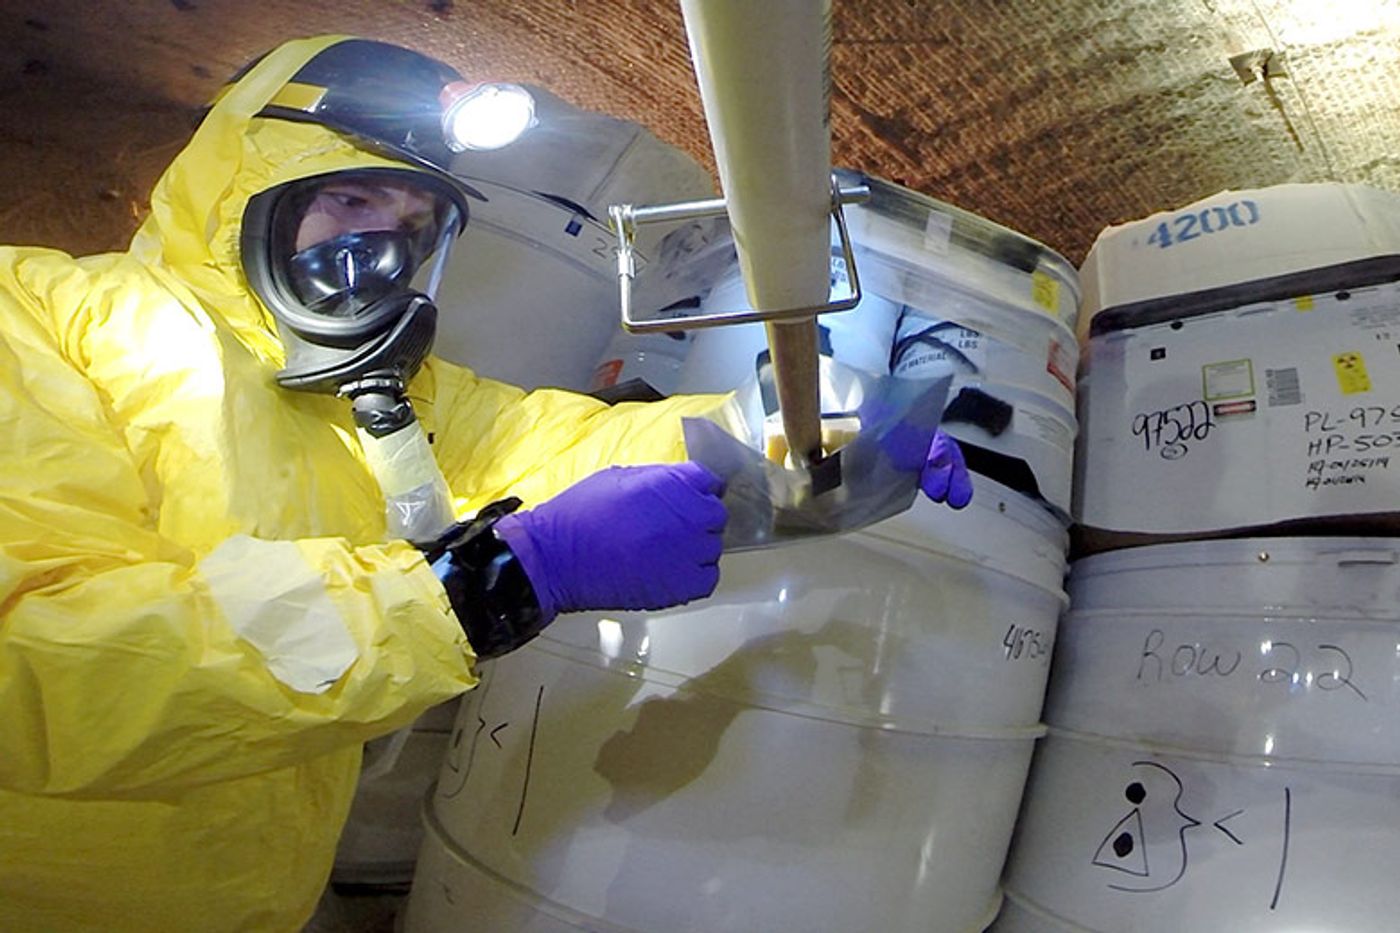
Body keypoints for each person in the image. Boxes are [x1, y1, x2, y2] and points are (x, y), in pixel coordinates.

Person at [0, 34, 972, 933]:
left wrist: (808, 440)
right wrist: (488, 586)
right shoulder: (43, 319)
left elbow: (572, 447)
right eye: (351, 201)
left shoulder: (392, 398)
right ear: (247, 182)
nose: (381, 248)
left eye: (416, 223)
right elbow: (40, 658)